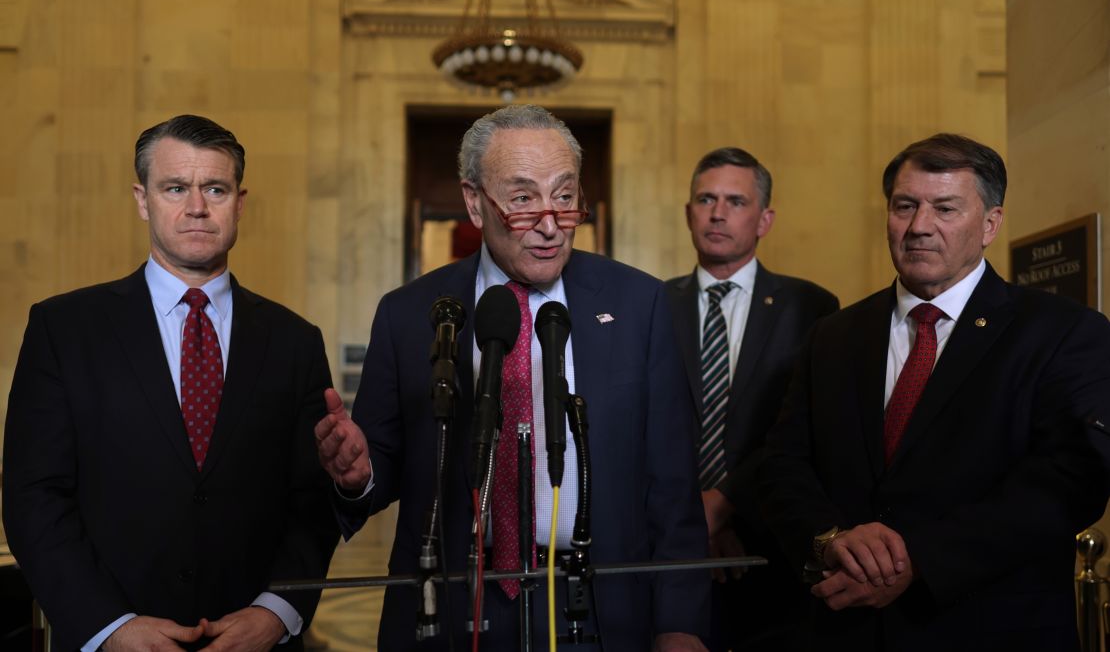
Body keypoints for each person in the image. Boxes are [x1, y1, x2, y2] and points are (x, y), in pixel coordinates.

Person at [314, 104, 709, 650]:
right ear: (474, 203)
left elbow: (673, 491)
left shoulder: (638, 304)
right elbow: (380, 463)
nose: (549, 225)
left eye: (565, 198)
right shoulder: (408, 313)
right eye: (523, 200)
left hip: (600, 607)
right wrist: (355, 476)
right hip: (452, 607)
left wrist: (681, 626)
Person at [757, 133, 1110, 651]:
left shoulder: (1062, 332)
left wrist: (919, 559)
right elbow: (783, 460)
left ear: (990, 223)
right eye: (905, 206)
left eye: (945, 208)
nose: (920, 226)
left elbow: (1070, 480)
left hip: (991, 628)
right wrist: (831, 540)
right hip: (846, 631)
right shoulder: (834, 335)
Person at [3, 115, 339, 652]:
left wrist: (276, 613)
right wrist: (106, 626)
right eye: (175, 188)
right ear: (143, 200)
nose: (197, 207)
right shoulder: (64, 329)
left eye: (215, 188)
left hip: (252, 639)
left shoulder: (295, 339)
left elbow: (312, 502)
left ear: (240, 202)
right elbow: (33, 496)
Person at [665, 147, 837, 651]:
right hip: (675, 552)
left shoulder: (812, 307)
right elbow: (646, 424)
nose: (718, 213)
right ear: (688, 213)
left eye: (736, 201)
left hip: (776, 552)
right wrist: (697, 519)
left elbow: (806, 427)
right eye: (706, 198)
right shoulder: (651, 305)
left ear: (764, 219)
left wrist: (725, 503)